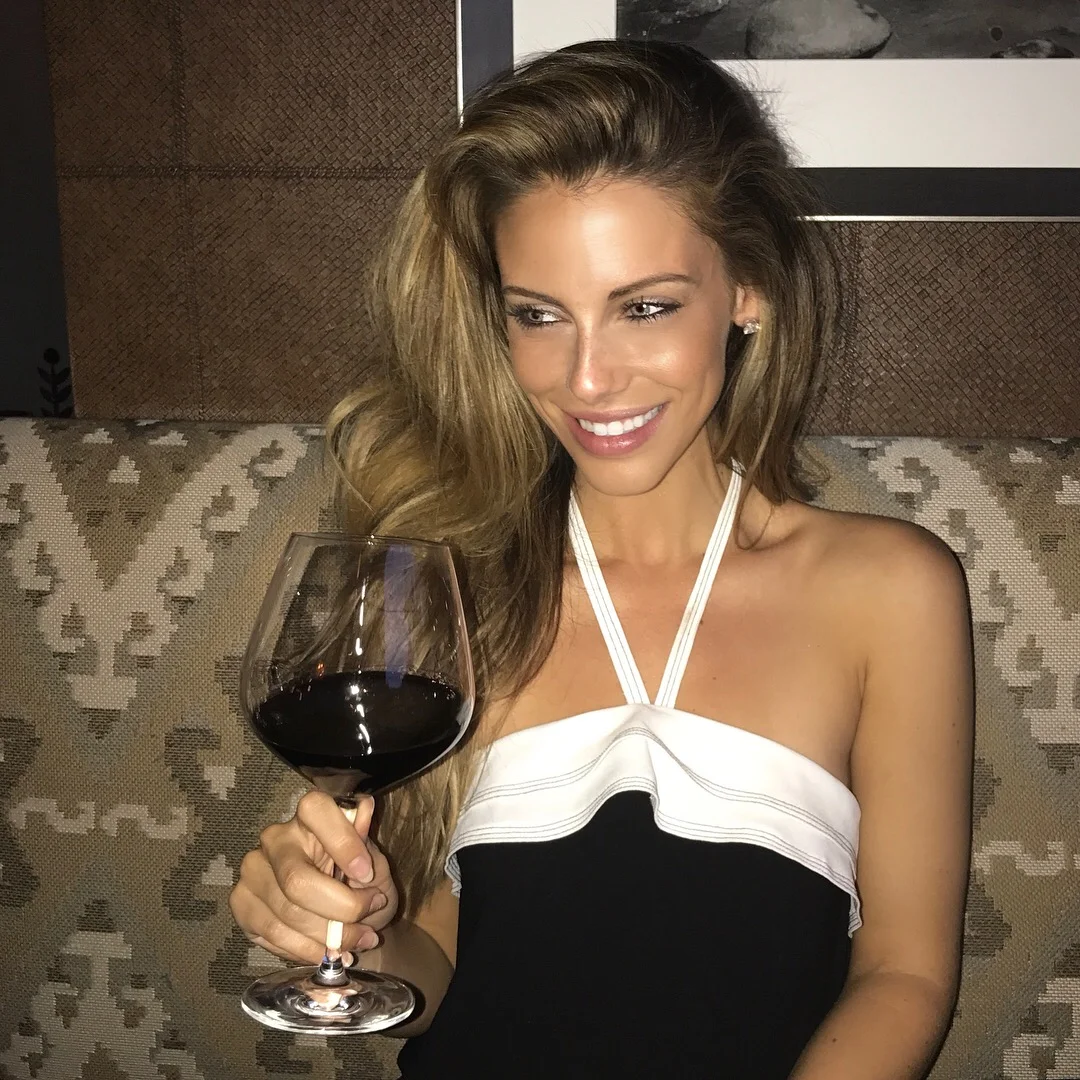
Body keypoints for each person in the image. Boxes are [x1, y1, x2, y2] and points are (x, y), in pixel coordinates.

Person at [229, 39, 974, 1078]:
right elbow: (435, 979)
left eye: (645, 307)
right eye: (538, 316)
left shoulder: (889, 592)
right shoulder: (458, 586)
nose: (587, 379)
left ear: (749, 288)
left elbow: (905, 974)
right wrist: (353, 932)